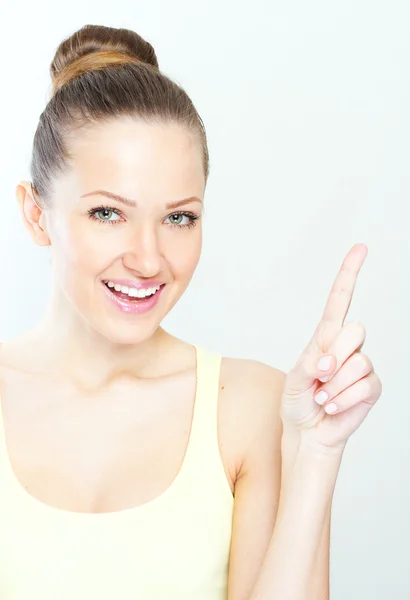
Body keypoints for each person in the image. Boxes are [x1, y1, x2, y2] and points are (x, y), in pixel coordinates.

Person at [0, 24, 382, 600]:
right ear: (36, 214)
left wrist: (316, 454)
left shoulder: (250, 409)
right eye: (108, 213)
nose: (149, 259)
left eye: (179, 218)